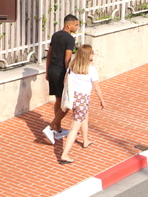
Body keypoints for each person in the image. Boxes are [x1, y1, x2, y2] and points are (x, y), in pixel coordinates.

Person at [59, 45, 106, 164]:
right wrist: (102, 100)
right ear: (88, 55)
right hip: (83, 99)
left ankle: (85, 140)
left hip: (72, 98)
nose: (93, 55)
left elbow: (65, 80)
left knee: (85, 116)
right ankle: (64, 154)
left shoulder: (72, 65)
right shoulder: (91, 70)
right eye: (91, 53)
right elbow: (96, 88)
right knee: (74, 128)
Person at [43, 14, 80, 145]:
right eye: (76, 25)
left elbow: (49, 54)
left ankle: (58, 130)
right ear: (68, 25)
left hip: (52, 70)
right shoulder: (70, 39)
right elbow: (67, 58)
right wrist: (68, 74)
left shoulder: (55, 35)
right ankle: (51, 127)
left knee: (58, 99)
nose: (77, 27)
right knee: (67, 103)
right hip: (61, 72)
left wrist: (47, 71)